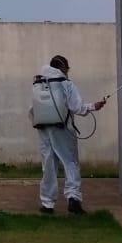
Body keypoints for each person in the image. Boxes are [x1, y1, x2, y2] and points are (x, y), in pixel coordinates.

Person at [32, 54, 106, 216]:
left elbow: (32, 111)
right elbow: (77, 107)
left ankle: (47, 203)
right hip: (63, 128)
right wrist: (93, 106)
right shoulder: (66, 84)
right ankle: (73, 198)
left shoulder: (38, 84)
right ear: (63, 68)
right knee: (70, 162)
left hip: (44, 129)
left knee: (49, 166)